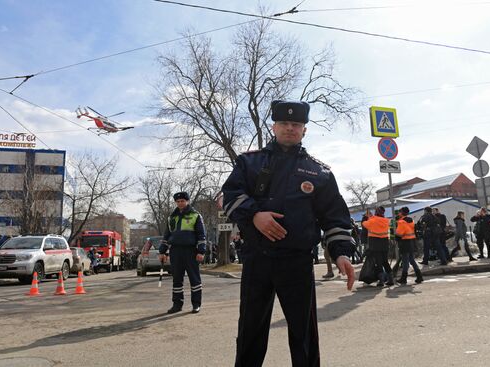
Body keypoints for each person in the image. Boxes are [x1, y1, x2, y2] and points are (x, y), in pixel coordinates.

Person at [221, 100, 354, 367]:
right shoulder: (250, 162)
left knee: (304, 335)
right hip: (257, 259)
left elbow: (334, 215)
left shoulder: (320, 172)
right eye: (284, 123)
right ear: (274, 127)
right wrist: (254, 215)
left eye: (296, 124)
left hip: (297, 262)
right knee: (250, 332)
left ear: (304, 130)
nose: (290, 128)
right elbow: (230, 195)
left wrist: (341, 253)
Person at [159, 191, 206, 314]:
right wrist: (162, 251)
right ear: (176, 202)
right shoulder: (171, 217)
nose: (180, 203)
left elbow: (201, 235)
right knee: (177, 279)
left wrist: (201, 251)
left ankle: (196, 304)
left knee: (194, 278)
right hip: (175, 251)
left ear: (187, 201)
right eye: (178, 201)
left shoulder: (196, 215)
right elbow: (166, 235)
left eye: (182, 201)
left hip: (191, 251)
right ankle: (177, 304)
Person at [362, 206, 394, 286]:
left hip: (375, 244)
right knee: (385, 262)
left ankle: (381, 281)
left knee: (378, 263)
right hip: (384, 244)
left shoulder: (372, 220)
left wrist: (366, 217)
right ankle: (391, 279)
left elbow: (364, 224)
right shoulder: (386, 221)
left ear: (376, 212)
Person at [395, 207, 423, 284]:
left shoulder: (401, 222)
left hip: (404, 243)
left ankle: (403, 278)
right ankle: (419, 276)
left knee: (405, 261)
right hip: (412, 242)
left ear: (401, 213)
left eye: (399, 212)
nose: (398, 213)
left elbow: (399, 234)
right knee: (412, 260)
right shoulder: (411, 221)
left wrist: (396, 238)